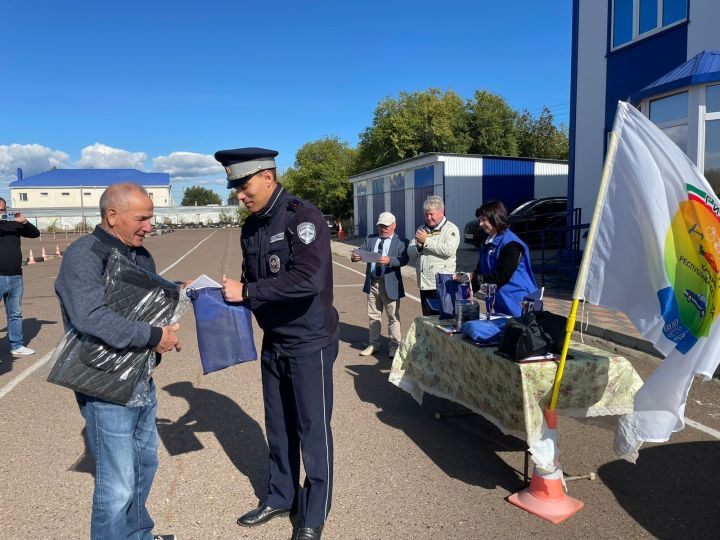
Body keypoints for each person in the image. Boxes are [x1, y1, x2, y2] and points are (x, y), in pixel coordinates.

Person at [217, 147, 339, 540]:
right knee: (279, 427)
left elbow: (308, 280)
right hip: (275, 342)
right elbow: (248, 282)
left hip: (309, 341)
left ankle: (313, 515)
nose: (239, 194)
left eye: (243, 185)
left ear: (267, 177)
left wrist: (248, 291)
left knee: (312, 430)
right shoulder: (251, 227)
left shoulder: (303, 218)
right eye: (234, 187)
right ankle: (281, 496)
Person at [54, 183, 180, 540]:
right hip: (105, 383)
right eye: (142, 218)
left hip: (140, 377)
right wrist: (154, 336)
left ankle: (138, 534)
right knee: (118, 484)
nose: (149, 227)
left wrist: (174, 297)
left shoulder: (138, 253)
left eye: (151, 218)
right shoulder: (85, 255)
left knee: (144, 466)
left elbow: (144, 300)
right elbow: (91, 317)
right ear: (112, 216)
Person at [464, 200, 539, 316]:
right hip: (503, 301)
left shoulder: (511, 244)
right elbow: (480, 270)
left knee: (520, 331)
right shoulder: (487, 242)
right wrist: (470, 288)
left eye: (484, 220)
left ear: (495, 218)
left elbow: (502, 275)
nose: (480, 224)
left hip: (519, 301)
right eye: (480, 220)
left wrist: (478, 279)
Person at [351, 211, 409, 358]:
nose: (383, 228)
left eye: (386, 226)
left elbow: (404, 259)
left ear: (394, 225)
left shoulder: (402, 241)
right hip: (372, 283)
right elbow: (359, 252)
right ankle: (374, 344)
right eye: (380, 226)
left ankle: (395, 346)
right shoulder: (370, 239)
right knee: (373, 316)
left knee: (393, 317)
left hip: (389, 283)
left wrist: (390, 260)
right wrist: (355, 256)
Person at [407, 195, 460, 315]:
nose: (428, 217)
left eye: (431, 214)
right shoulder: (422, 229)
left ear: (441, 212)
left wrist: (426, 241)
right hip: (424, 284)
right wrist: (418, 246)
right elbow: (410, 252)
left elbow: (449, 250)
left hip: (442, 285)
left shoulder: (451, 229)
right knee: (427, 321)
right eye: (426, 214)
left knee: (442, 321)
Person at [0, 197, 40, 356]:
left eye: (2, 210)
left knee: (15, 313)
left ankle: (16, 345)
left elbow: (35, 234)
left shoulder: (13, 223)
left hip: (16, 277)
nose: (0, 213)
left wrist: (24, 222)